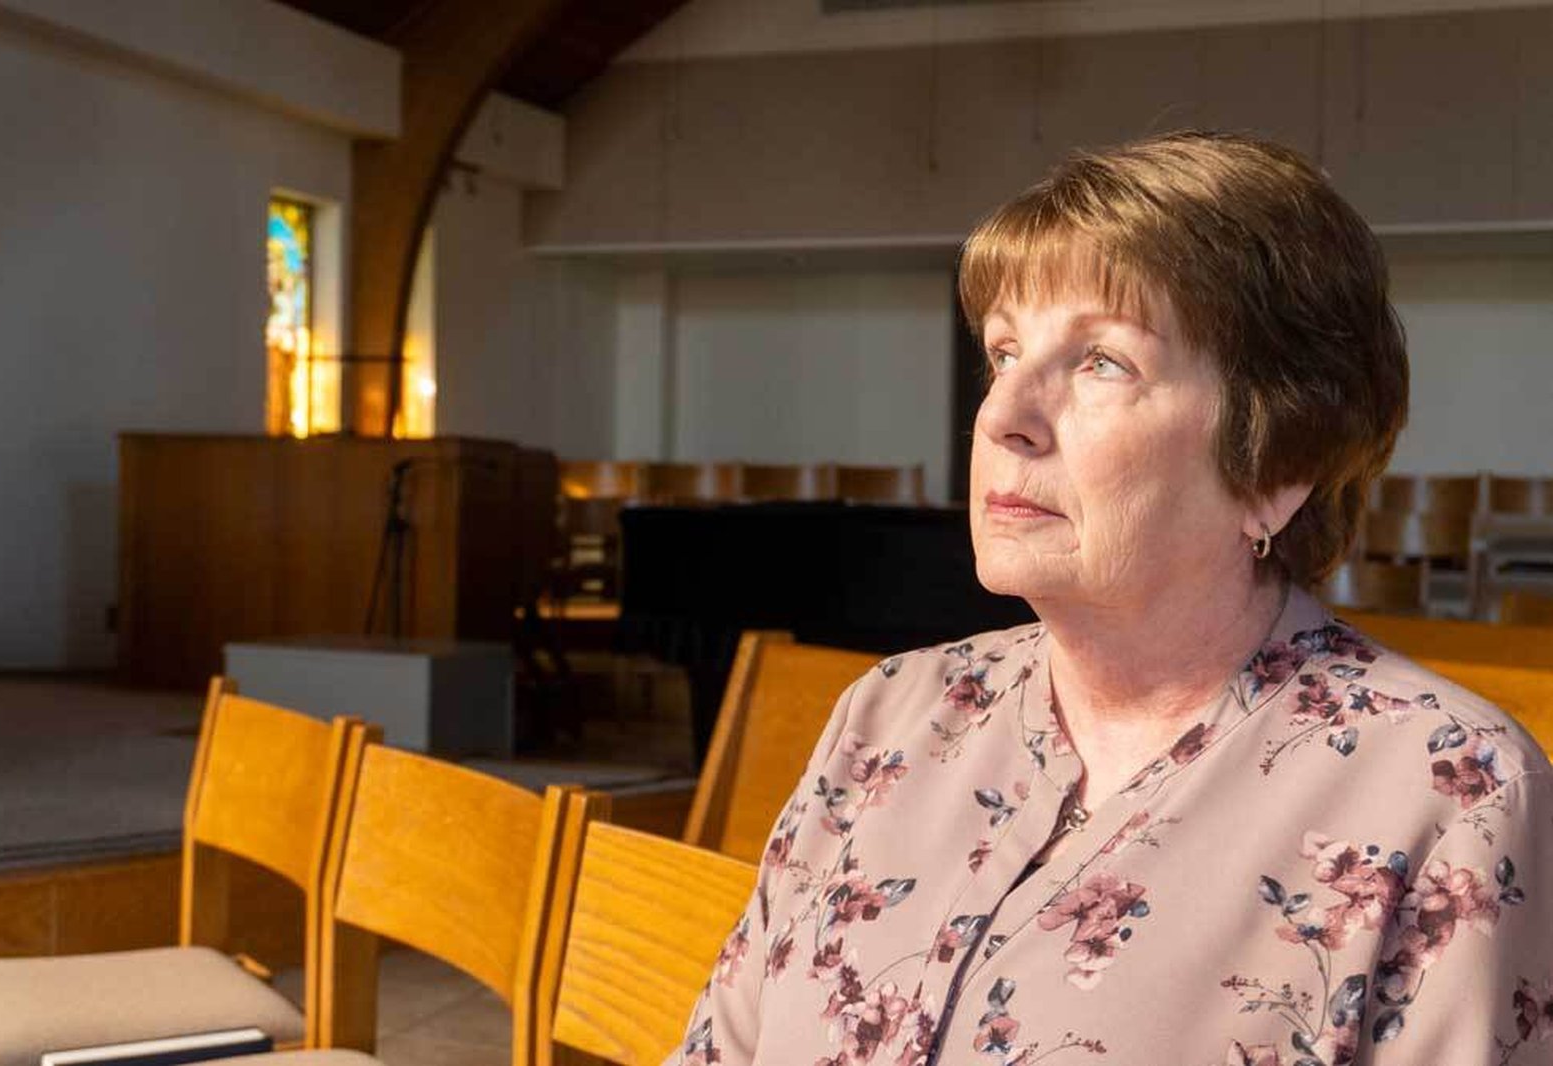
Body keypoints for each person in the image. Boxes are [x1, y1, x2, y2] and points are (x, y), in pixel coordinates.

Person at [661, 131, 1553, 1066]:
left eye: (1103, 363)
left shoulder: (1450, 792)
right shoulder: (888, 714)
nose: (1003, 414)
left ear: (1279, 462)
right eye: (1004, 352)